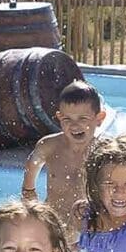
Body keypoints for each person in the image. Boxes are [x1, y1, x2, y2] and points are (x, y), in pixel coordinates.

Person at [21, 80, 104, 227]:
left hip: (86, 230)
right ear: (59, 118)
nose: (74, 125)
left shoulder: (103, 152)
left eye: (82, 118)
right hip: (53, 225)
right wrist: (29, 194)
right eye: (67, 119)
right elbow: (31, 165)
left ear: (99, 119)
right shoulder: (49, 146)